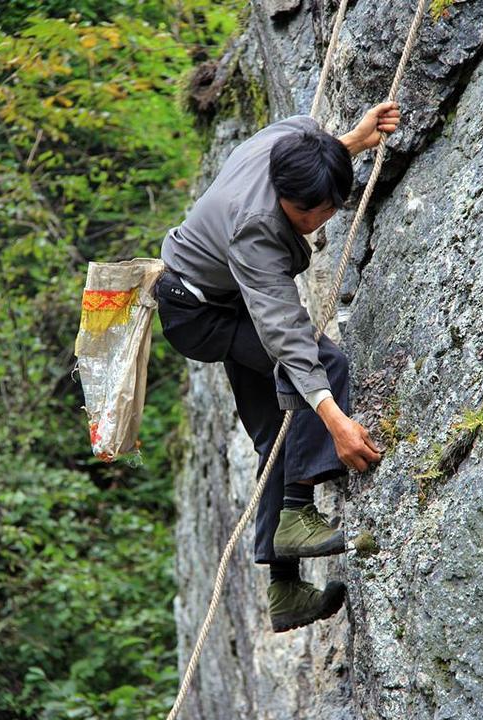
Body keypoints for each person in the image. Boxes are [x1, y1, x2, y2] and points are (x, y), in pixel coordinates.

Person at [156, 101, 400, 633]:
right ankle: (295, 512)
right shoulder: (259, 229)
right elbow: (288, 338)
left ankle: (285, 589)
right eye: (305, 215)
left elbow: (321, 149)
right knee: (322, 361)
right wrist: (336, 421)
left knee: (275, 434)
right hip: (198, 313)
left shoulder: (295, 138)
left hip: (223, 294)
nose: (313, 222)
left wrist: (352, 142)